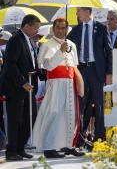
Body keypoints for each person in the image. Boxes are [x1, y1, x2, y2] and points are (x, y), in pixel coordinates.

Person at [33, 18, 85, 158]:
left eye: (63, 28)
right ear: (53, 28)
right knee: (54, 112)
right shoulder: (47, 45)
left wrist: (79, 84)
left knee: (69, 114)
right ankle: (49, 147)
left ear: (67, 29)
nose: (60, 31)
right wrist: (60, 52)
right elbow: (47, 66)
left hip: (69, 83)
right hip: (55, 83)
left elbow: (74, 66)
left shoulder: (72, 45)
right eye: (58, 27)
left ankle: (69, 145)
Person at [67, 7, 113, 148]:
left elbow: (109, 51)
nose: (77, 14)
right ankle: (80, 139)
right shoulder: (75, 30)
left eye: (79, 11)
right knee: (80, 105)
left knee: (99, 106)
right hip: (81, 70)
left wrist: (109, 72)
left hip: (97, 70)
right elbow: (67, 48)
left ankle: (99, 138)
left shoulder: (101, 28)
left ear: (87, 12)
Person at [0, 14, 43, 161]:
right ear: (26, 26)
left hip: (28, 86)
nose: (37, 31)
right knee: (15, 120)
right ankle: (12, 151)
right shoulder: (15, 40)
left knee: (29, 118)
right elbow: (10, 65)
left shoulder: (28, 40)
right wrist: (22, 82)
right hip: (17, 88)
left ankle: (20, 147)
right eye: (35, 28)